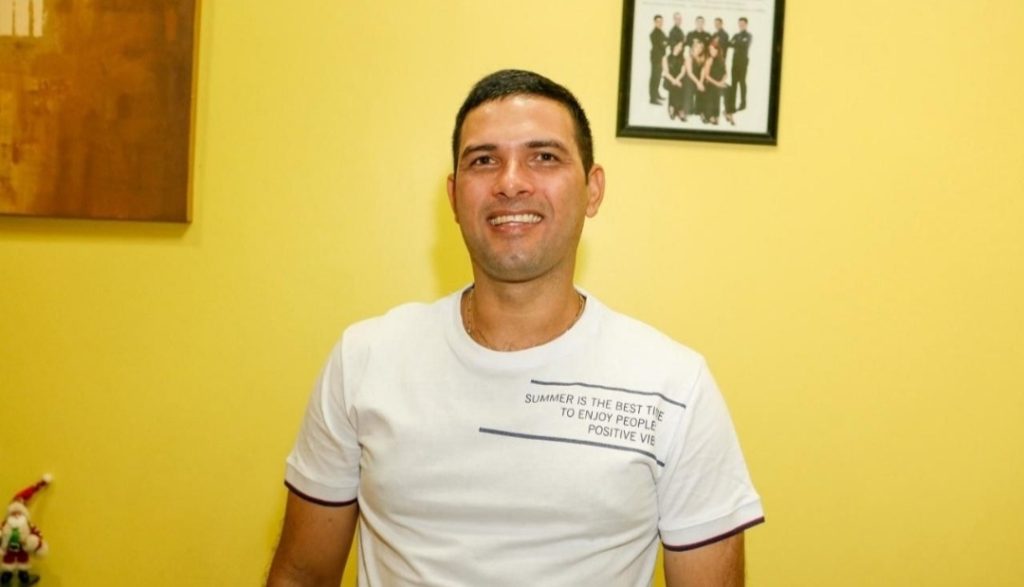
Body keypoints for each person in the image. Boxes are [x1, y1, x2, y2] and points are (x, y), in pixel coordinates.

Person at [267, 69, 764, 587]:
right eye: (484, 160)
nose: (510, 182)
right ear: (454, 196)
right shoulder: (364, 360)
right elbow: (300, 576)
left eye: (544, 157)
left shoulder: (674, 386)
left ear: (593, 190)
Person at [729, 17, 753, 113]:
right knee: (733, 83)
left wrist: (736, 43)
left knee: (742, 82)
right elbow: (730, 44)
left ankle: (743, 104)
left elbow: (745, 45)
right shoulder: (736, 35)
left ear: (746, 24)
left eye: (743, 24)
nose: (741, 25)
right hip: (735, 61)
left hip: (743, 62)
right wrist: (738, 43)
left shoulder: (749, 35)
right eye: (739, 23)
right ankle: (732, 105)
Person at [704, 36, 729, 125]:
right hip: (710, 83)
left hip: (719, 82)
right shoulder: (709, 60)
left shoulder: (722, 60)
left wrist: (721, 82)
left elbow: (726, 73)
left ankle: (721, 113)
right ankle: (709, 115)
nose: (711, 51)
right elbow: (706, 76)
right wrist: (717, 84)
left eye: (713, 49)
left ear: (717, 50)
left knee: (728, 89)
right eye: (710, 50)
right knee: (714, 91)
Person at [683, 37, 709, 121]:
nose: (699, 49)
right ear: (693, 47)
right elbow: (690, 73)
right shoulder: (689, 58)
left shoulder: (703, 58)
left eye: (701, 47)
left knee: (704, 88)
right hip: (690, 79)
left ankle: (701, 111)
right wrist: (698, 83)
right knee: (689, 87)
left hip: (698, 79)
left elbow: (703, 71)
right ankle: (686, 111)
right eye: (697, 47)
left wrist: (701, 82)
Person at [662, 41, 687, 120]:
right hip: (669, 79)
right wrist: (674, 81)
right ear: (673, 45)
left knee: (680, 86)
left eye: (681, 46)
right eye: (677, 45)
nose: (679, 48)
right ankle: (677, 108)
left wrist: (677, 80)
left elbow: (683, 72)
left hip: (679, 79)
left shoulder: (683, 58)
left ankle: (676, 108)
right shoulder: (665, 58)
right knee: (674, 86)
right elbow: (666, 73)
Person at [649, 15, 669, 104]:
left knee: (658, 77)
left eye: (661, 21)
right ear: (655, 22)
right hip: (656, 58)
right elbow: (662, 44)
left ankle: (656, 94)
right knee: (655, 77)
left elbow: (667, 41)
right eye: (658, 21)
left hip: (660, 57)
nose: (660, 23)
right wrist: (665, 43)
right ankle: (652, 98)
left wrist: (665, 42)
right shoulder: (654, 33)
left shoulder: (661, 32)